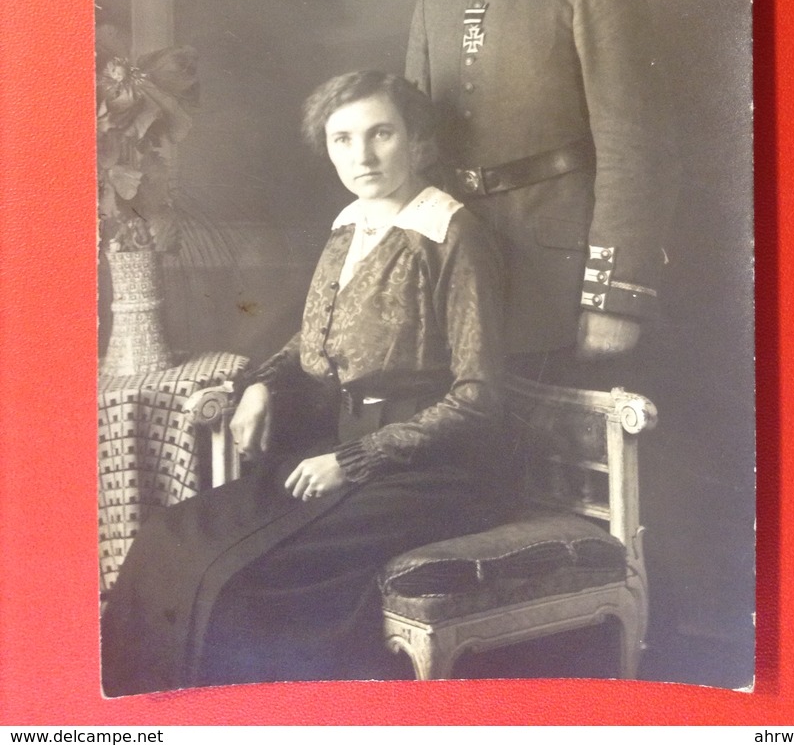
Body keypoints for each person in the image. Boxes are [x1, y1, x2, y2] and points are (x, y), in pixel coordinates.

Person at [100, 71, 506, 694]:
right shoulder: (350, 226)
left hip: (427, 474)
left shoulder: (453, 235)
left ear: (418, 141)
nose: (362, 155)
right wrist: (261, 384)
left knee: (244, 581)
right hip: (334, 451)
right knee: (167, 537)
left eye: (381, 134)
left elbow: (479, 399)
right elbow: (317, 338)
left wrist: (351, 459)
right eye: (342, 139)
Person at [406, 0, 675, 385]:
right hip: (464, 273)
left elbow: (638, 149)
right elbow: (416, 160)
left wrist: (615, 295)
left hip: (561, 275)